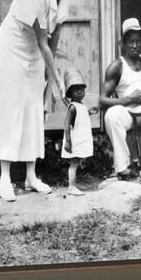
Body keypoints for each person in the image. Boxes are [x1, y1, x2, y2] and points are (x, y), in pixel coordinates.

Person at [0, 0, 82, 201]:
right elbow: (43, 41)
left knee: (34, 110)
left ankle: (31, 177)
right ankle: (5, 179)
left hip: (36, 53)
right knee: (11, 109)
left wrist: (53, 79)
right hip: (13, 49)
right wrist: (59, 79)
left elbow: (56, 33)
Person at [98, 18, 141, 184]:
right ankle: (123, 168)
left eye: (137, 41)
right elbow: (101, 101)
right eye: (131, 42)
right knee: (111, 115)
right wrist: (130, 99)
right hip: (127, 114)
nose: (135, 45)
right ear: (123, 43)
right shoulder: (117, 66)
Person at [61, 68, 95, 196]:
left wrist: (90, 112)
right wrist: (68, 141)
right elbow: (67, 124)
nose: (80, 92)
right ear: (70, 92)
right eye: (76, 89)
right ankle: (71, 187)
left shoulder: (81, 106)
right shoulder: (73, 107)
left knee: (76, 162)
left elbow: (82, 118)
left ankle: (73, 184)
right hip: (74, 141)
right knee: (74, 163)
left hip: (80, 140)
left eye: (82, 89)